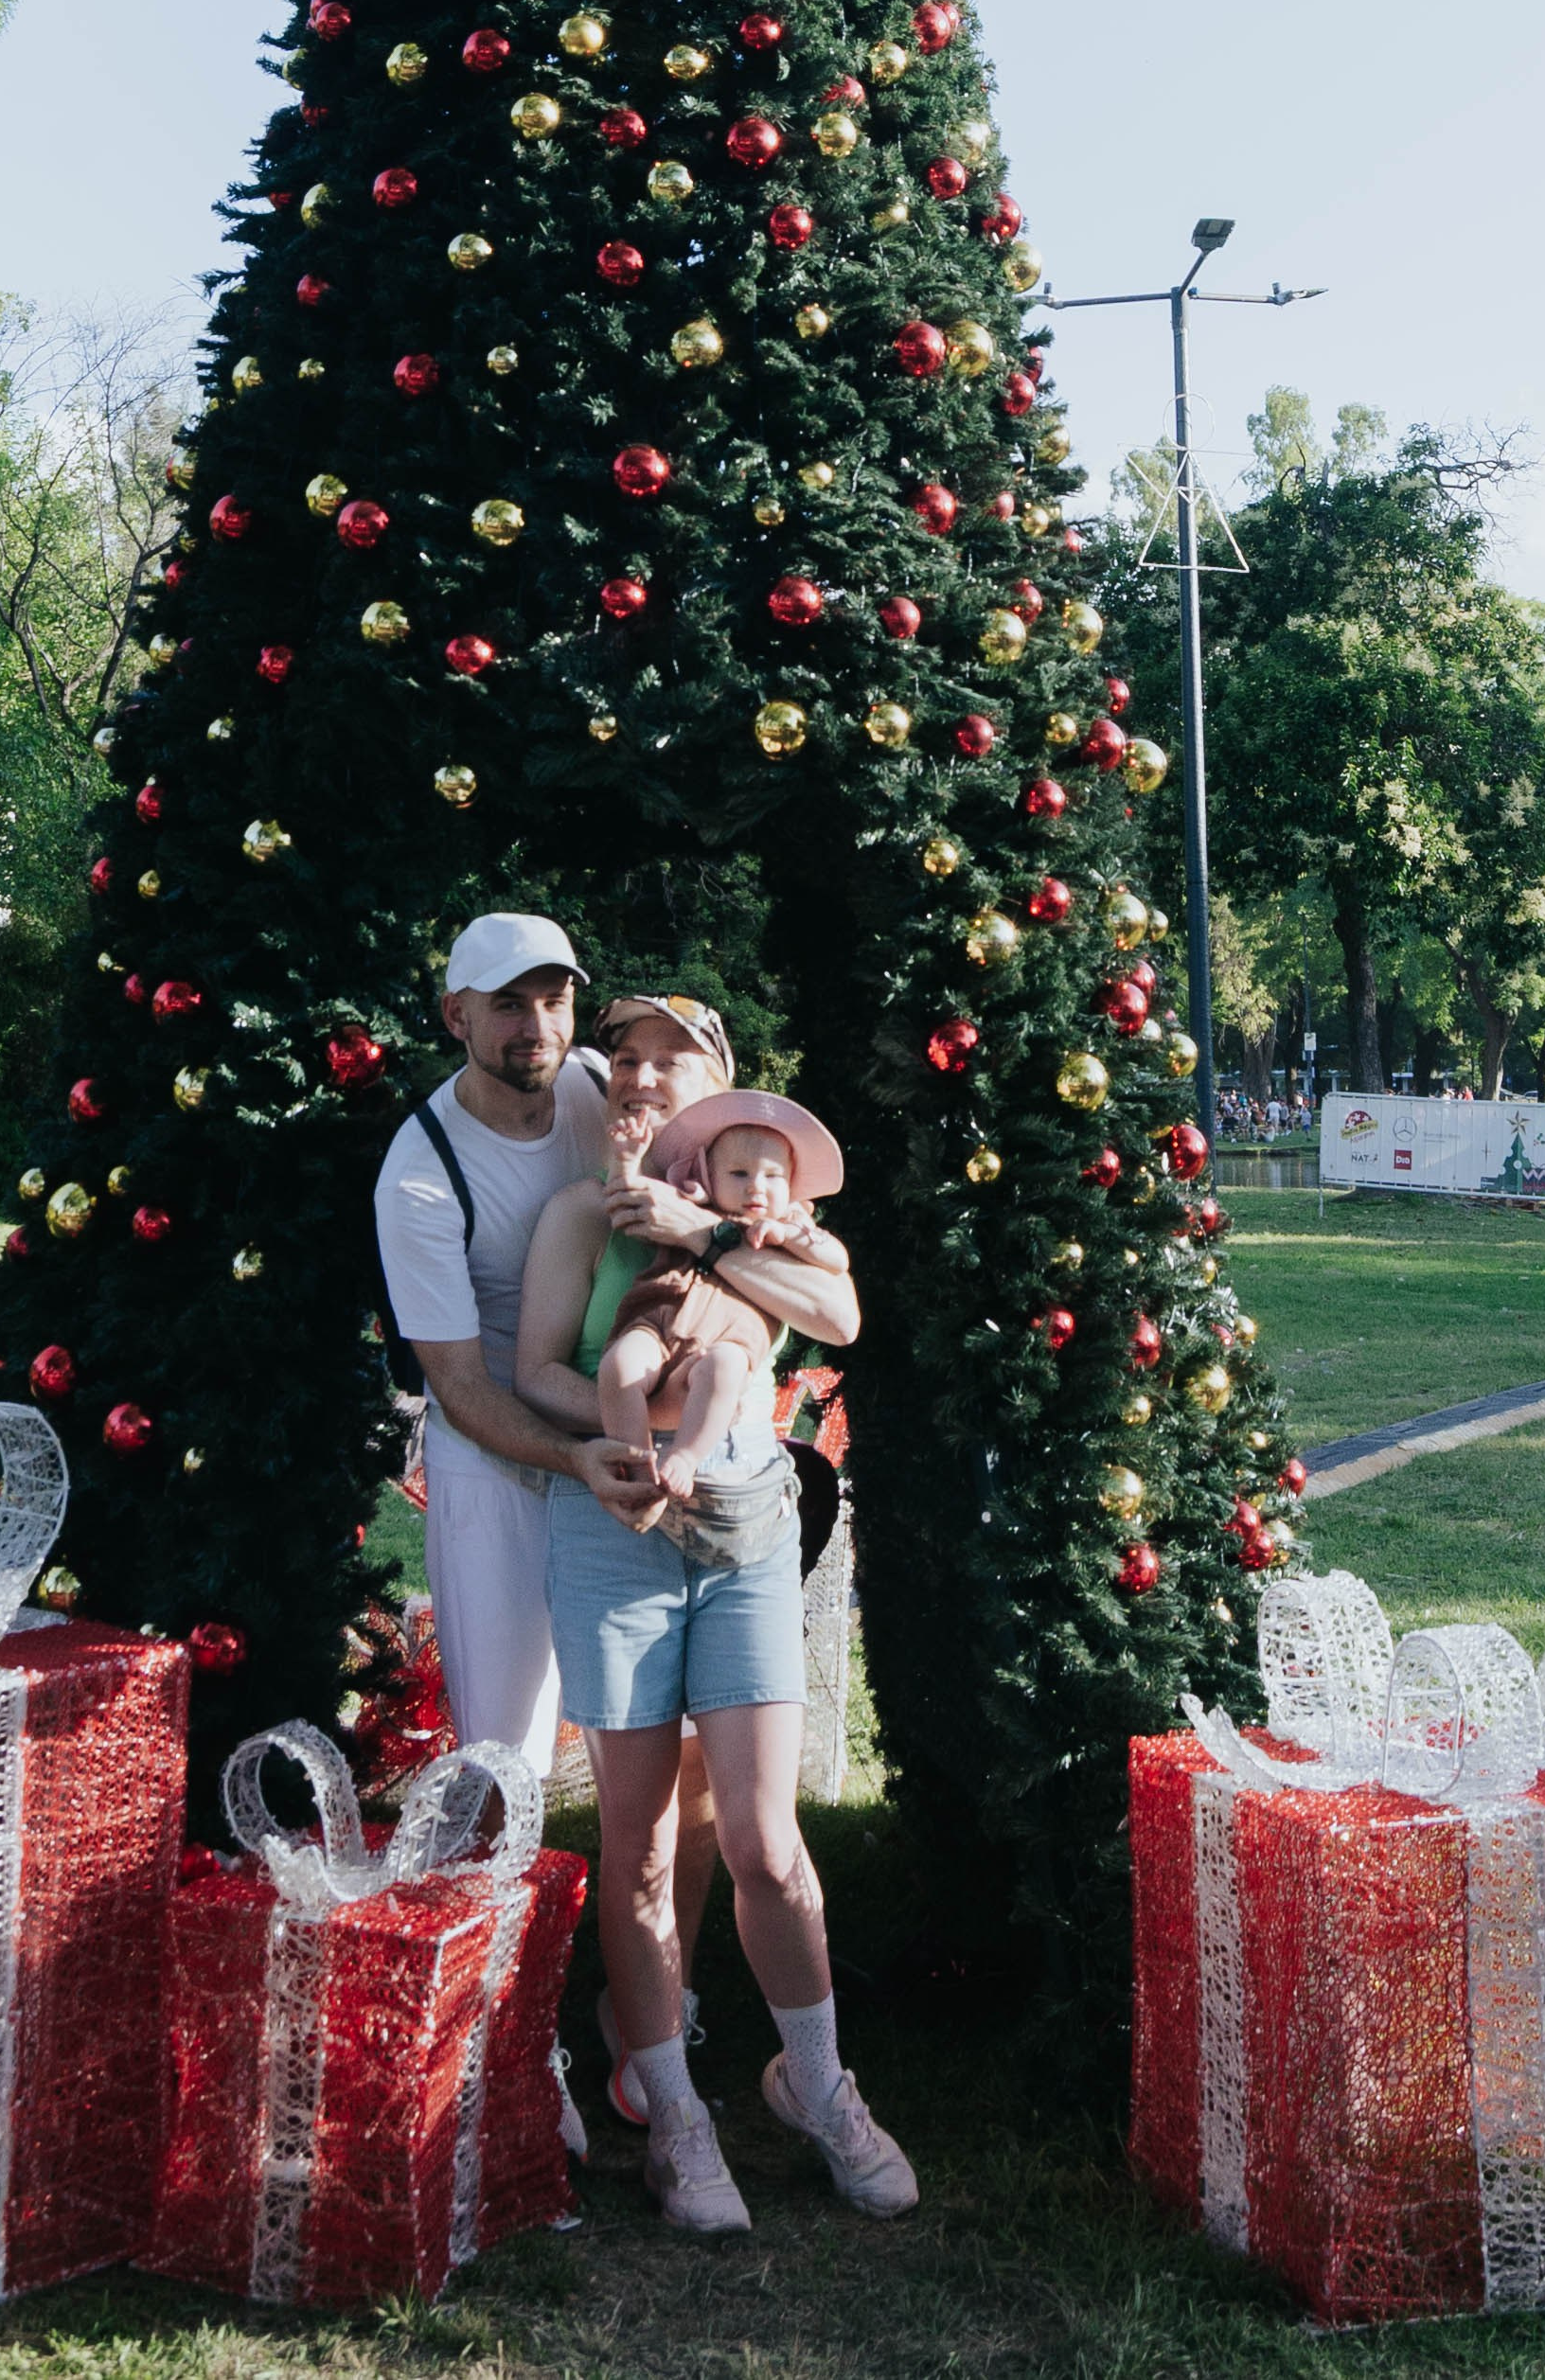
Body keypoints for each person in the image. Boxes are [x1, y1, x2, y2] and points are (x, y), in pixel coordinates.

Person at [517, 1080, 916, 2237]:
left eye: (677, 1059)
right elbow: (539, 1362)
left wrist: (714, 1232)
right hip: (618, 1528)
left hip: (744, 1529)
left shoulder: (761, 1220)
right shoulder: (592, 1214)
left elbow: (837, 1318)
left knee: (761, 1836)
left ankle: (818, 2083)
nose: (651, 1080)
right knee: (637, 1837)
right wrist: (615, 1439)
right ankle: (677, 2116)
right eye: (632, 1059)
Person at [372, 912, 656, 1776]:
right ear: (455, 1014)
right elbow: (456, 1384)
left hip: (616, 1421)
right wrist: (578, 1459)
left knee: (653, 1723)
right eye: (509, 1005)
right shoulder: (421, 1174)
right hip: (496, 1457)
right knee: (503, 1749)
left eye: (554, 999)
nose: (538, 1027)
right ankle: (492, 1901)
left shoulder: (601, 1085)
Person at [597, 1105, 848, 1507]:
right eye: (739, 1174)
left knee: (725, 1371)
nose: (755, 1188)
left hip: (727, 1340)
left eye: (773, 1176)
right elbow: (627, 1202)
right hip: (658, 1318)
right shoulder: (689, 1207)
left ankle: (686, 1454)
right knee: (619, 1365)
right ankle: (637, 1462)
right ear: (709, 1177)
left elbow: (837, 1260)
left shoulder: (791, 1227)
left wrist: (791, 1235)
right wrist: (625, 1159)